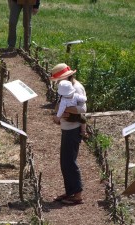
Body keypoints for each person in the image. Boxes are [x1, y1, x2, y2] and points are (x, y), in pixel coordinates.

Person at [50, 63, 87, 205]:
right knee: (65, 162)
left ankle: (77, 195)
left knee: (70, 162)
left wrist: (64, 110)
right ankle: (70, 191)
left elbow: (82, 109)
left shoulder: (76, 87)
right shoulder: (67, 86)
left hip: (73, 128)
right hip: (68, 127)